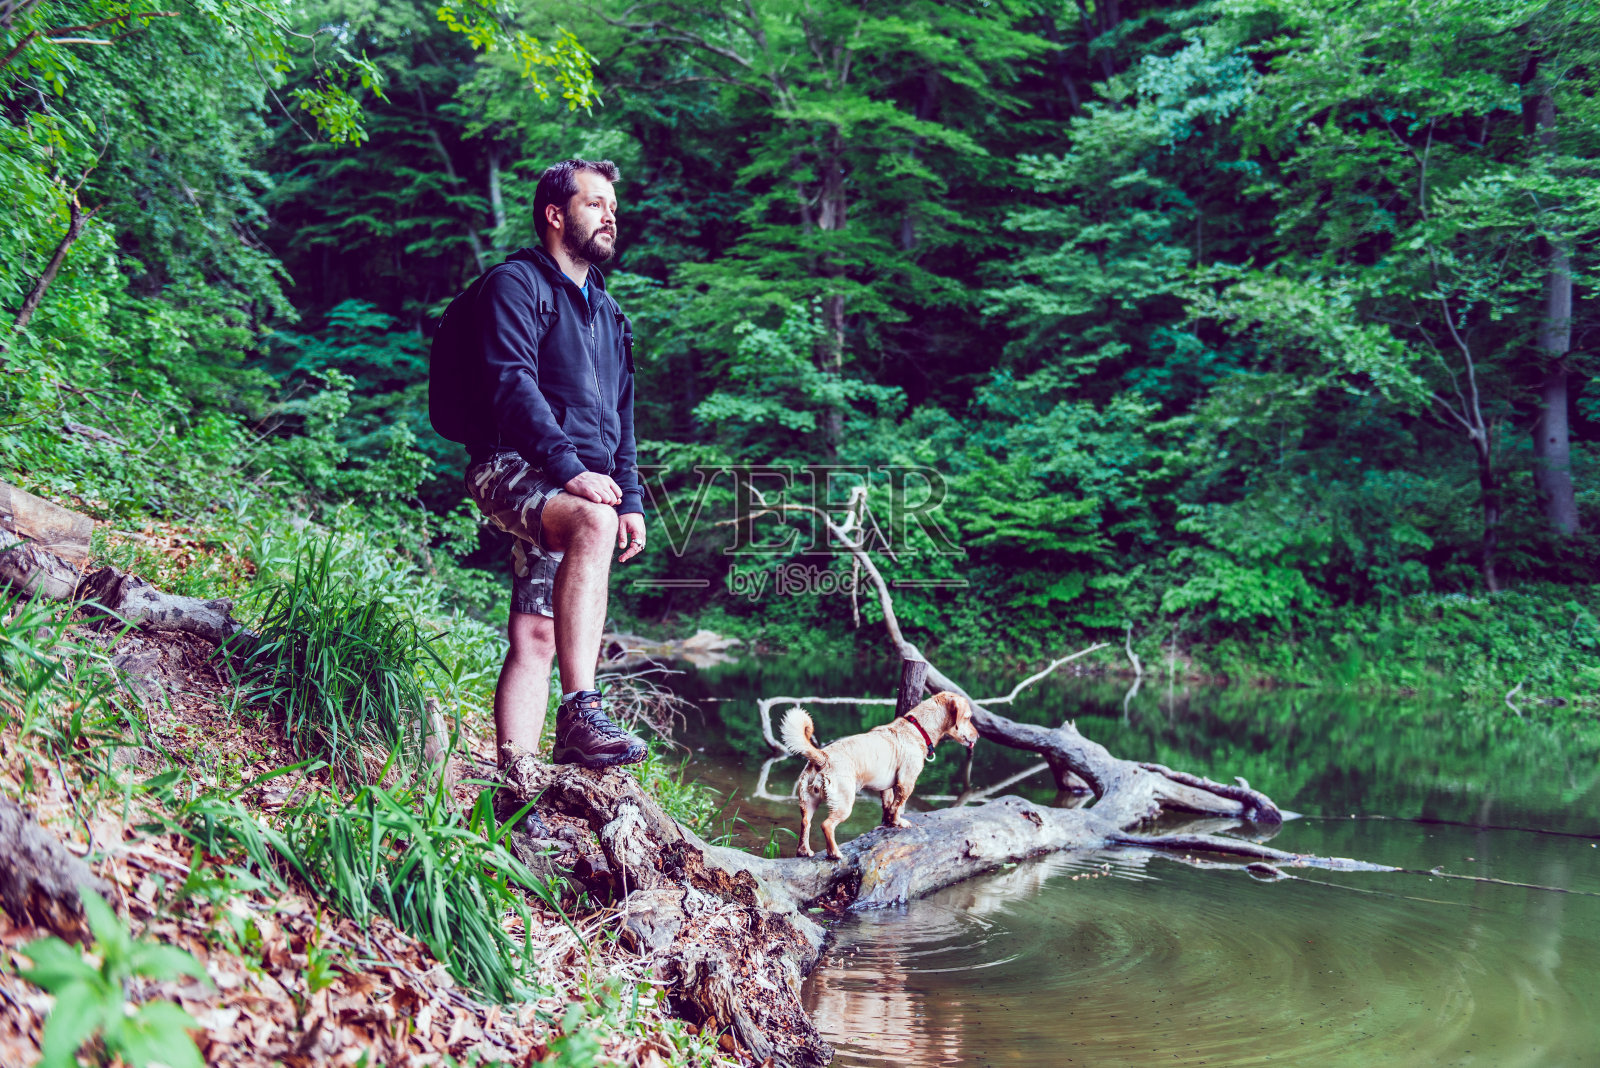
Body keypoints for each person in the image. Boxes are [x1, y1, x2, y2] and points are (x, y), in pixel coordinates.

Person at [461, 158, 649, 770]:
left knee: (537, 634)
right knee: (591, 522)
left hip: (578, 482)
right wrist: (572, 472)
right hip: (508, 463)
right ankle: (581, 712)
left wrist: (632, 497)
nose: (609, 217)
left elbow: (621, 417)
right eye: (596, 204)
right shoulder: (517, 285)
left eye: (612, 208)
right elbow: (511, 385)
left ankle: (515, 789)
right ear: (555, 214)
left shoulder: (609, 313)